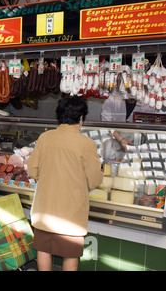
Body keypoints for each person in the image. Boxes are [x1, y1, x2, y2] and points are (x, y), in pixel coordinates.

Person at [27, 96, 103, 271]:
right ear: (81, 119)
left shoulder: (45, 138)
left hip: (45, 209)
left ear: (59, 116)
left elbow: (32, 171)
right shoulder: (87, 144)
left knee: (43, 250)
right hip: (71, 214)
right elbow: (94, 180)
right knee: (70, 254)